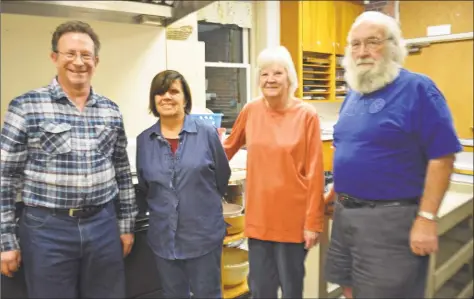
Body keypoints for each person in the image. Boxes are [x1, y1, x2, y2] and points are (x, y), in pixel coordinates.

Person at [324, 11, 462, 299]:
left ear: (394, 46)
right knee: (348, 288)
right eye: (356, 44)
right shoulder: (354, 93)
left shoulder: (418, 89)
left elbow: (443, 156)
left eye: (372, 42)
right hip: (346, 215)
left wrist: (426, 218)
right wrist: (336, 191)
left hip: (391, 220)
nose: (362, 52)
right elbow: (353, 149)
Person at [0, 20, 138, 298]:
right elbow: (4, 176)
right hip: (46, 230)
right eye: (70, 53)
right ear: (55, 58)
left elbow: (122, 171)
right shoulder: (26, 106)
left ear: (96, 61)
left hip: (103, 224)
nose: (78, 62)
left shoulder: (110, 110)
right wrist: (5, 241)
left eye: (86, 55)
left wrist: (125, 226)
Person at [223, 46, 325, 298]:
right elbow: (225, 149)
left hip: (293, 220)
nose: (270, 79)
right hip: (259, 218)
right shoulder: (251, 110)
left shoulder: (306, 115)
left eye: (277, 73)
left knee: (291, 290)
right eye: (264, 74)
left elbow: (315, 173)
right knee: (260, 289)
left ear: (289, 77)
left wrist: (313, 223)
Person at [136, 70, 231, 298]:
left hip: (203, 237)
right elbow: (146, 186)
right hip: (164, 239)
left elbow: (222, 177)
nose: (166, 97)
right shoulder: (144, 141)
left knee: (208, 293)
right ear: (153, 100)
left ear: (185, 98)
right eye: (159, 93)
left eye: (173, 91)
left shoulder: (207, 134)